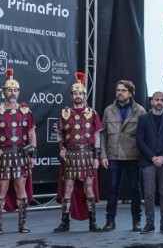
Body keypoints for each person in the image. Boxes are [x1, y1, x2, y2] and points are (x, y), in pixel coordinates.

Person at [0, 69, 36, 234]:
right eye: (9, 89)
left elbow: (31, 134)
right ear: (3, 91)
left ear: (18, 92)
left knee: (21, 188)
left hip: (20, 155)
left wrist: (33, 154)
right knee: (2, 189)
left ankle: (22, 224)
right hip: (3, 155)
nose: (12, 92)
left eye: (15, 90)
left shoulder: (25, 111)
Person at [53, 72, 103, 233]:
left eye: (80, 93)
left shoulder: (92, 113)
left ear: (84, 94)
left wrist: (97, 157)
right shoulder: (64, 112)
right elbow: (60, 135)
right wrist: (61, 148)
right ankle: (64, 223)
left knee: (89, 189)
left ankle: (93, 223)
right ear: (72, 95)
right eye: (75, 93)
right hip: (70, 155)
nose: (78, 95)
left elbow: (96, 136)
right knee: (68, 188)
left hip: (87, 155)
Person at [100, 80, 146, 232]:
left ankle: (137, 221)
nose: (120, 92)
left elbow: (144, 136)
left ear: (131, 93)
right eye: (118, 90)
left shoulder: (140, 111)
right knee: (113, 189)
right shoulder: (108, 110)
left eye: (123, 90)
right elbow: (103, 135)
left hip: (133, 156)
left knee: (135, 189)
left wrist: (142, 156)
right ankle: (110, 221)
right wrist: (103, 156)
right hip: (113, 156)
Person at [136, 91, 163, 234]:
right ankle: (149, 223)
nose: (159, 102)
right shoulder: (143, 119)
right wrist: (153, 157)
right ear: (151, 101)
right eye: (156, 99)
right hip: (148, 161)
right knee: (149, 194)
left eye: (162, 100)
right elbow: (140, 141)